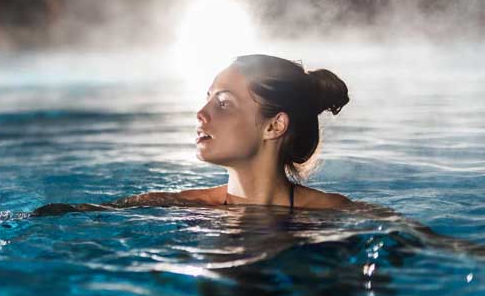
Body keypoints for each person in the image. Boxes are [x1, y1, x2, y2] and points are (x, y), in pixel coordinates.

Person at [34, 54, 353, 216]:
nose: (202, 113)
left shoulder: (338, 214)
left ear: (274, 126)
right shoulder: (166, 205)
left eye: (224, 103)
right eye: (208, 98)